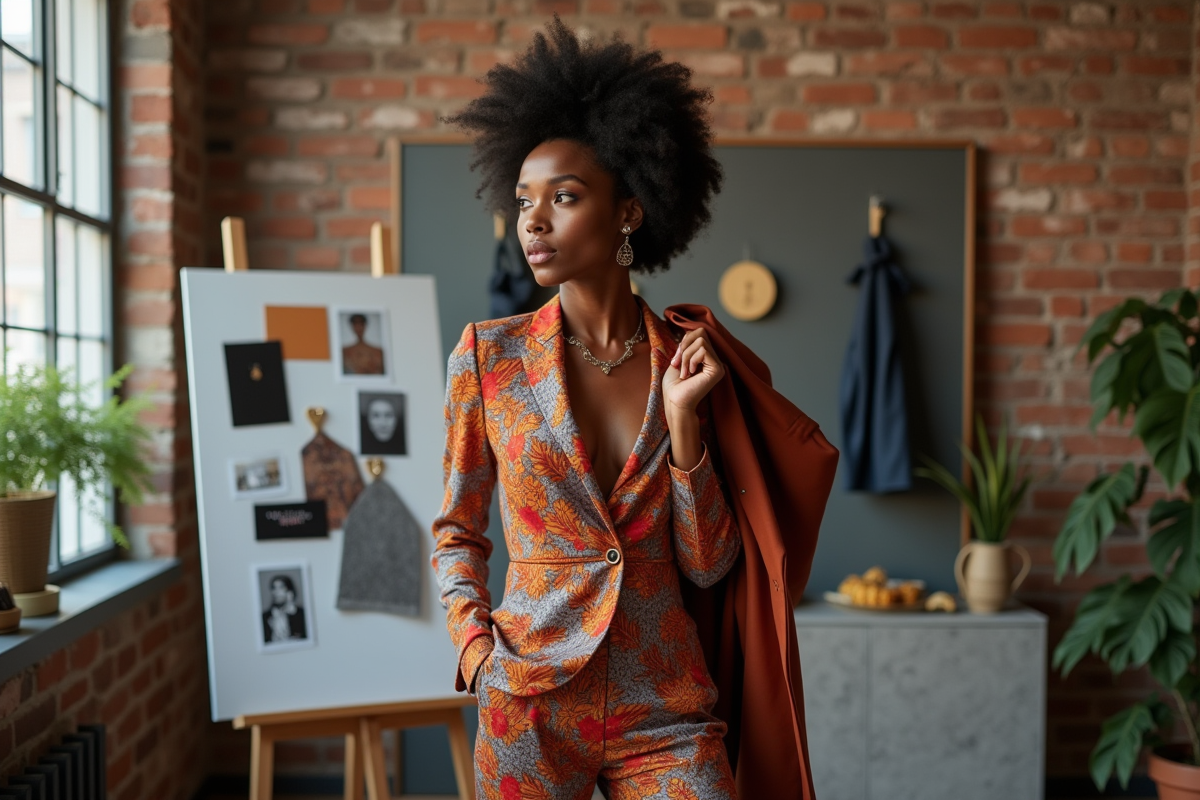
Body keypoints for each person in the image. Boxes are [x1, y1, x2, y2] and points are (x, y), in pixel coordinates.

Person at [431, 19, 740, 799]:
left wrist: (683, 427)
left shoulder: (690, 359)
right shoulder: (487, 358)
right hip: (529, 698)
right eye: (525, 199)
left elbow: (707, 563)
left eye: (563, 198)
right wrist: (477, 652)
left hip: (663, 699)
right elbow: (457, 530)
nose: (533, 220)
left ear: (630, 210)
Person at [261, 575, 307, 643]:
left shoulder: (302, 614)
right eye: (274, 588)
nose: (276, 592)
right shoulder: (265, 616)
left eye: (281, 588)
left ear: (290, 591)